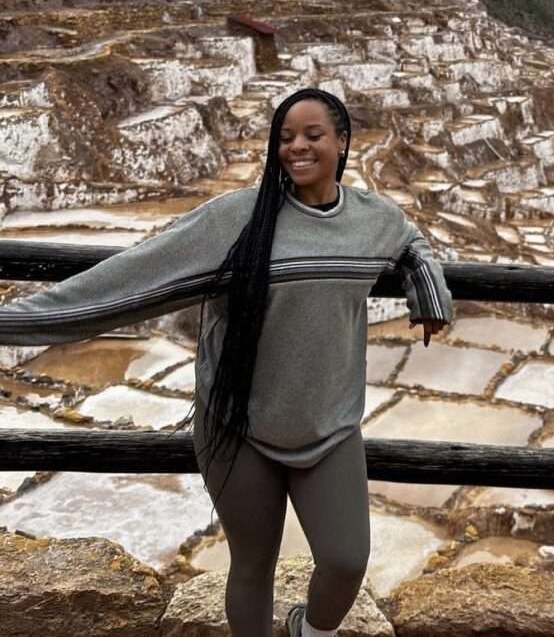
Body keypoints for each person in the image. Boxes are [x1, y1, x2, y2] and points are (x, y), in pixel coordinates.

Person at [0, 87, 454, 636]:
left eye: (312, 135)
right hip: (237, 423)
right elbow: (128, 279)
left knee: (345, 560)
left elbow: (410, 242)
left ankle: (309, 630)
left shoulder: (371, 219)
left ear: (342, 141)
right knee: (253, 564)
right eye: (285, 137)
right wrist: (10, 323)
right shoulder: (236, 218)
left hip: (329, 423)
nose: (297, 147)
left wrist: (427, 290)